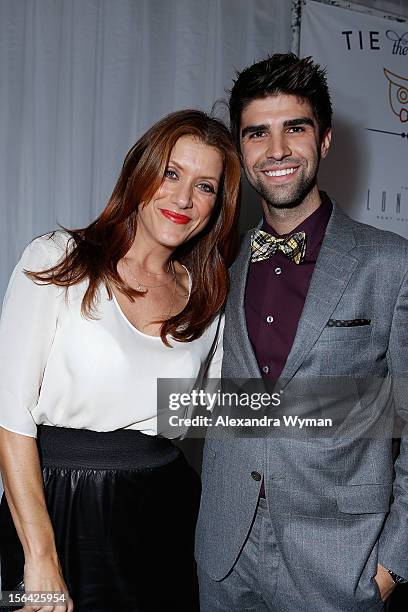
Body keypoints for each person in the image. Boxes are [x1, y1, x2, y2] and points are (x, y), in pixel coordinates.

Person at [0, 109, 240, 612]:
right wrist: (40, 559)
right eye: (171, 173)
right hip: (59, 506)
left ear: (218, 206)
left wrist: (362, 407)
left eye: (205, 187)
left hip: (164, 512)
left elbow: (217, 415)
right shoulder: (58, 260)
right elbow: (9, 419)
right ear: (141, 173)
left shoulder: (208, 296)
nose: (183, 198)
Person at [196, 53, 408, 611]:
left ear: (326, 139)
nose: (278, 150)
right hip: (225, 553)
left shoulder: (391, 264)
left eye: (296, 127)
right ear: (241, 152)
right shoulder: (220, 262)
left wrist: (391, 565)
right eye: (257, 134)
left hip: (341, 562)